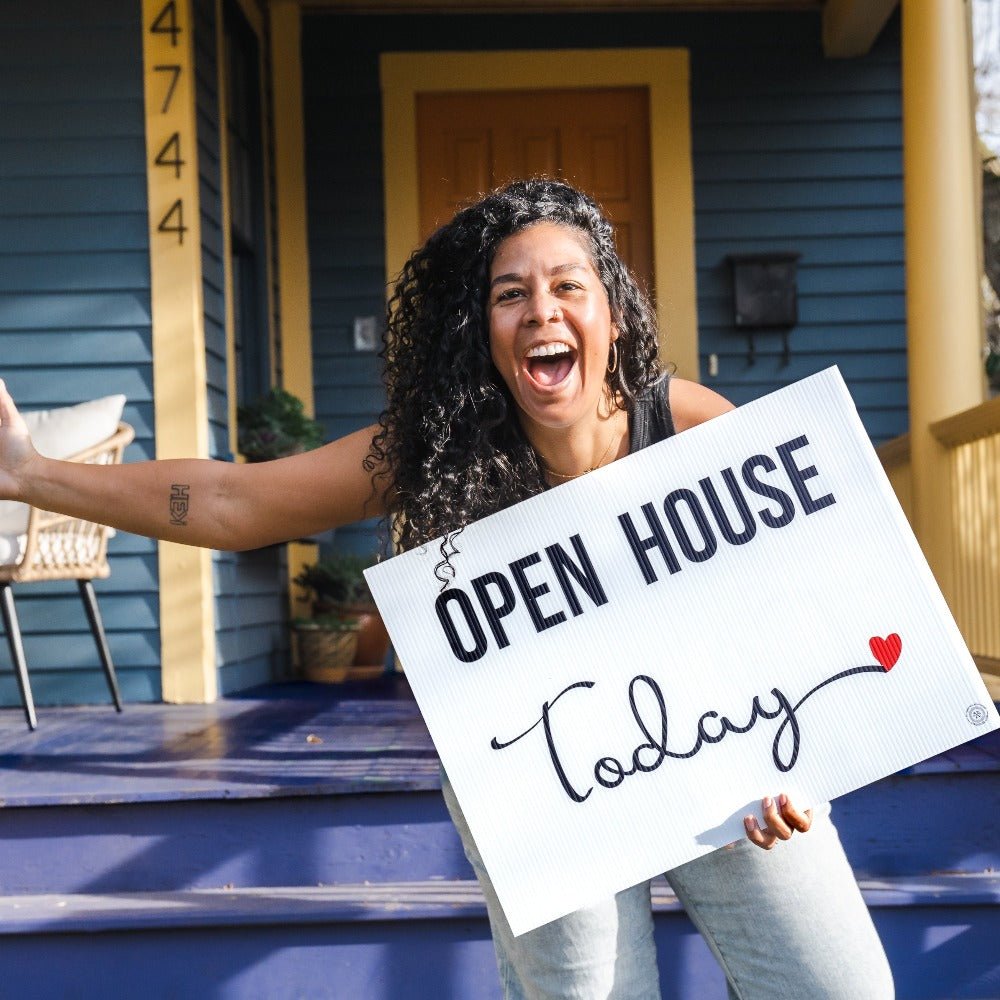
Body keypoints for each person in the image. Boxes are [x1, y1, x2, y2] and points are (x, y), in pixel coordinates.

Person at [0, 179, 893, 999]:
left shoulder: (687, 422)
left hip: (724, 749)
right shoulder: (443, 449)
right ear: (484, 332)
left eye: (567, 286)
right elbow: (237, 501)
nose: (541, 308)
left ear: (612, 313)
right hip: (541, 769)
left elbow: (800, 608)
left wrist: (801, 768)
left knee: (842, 989)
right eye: (511, 294)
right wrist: (33, 476)